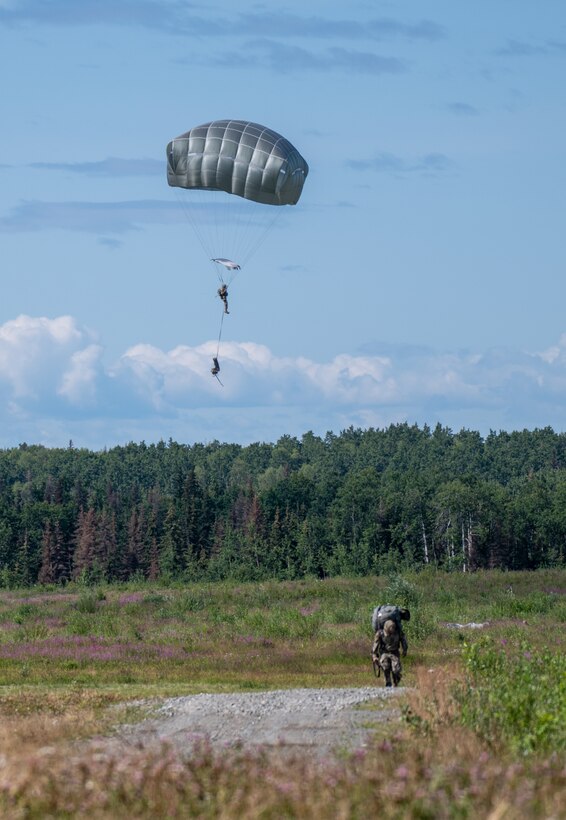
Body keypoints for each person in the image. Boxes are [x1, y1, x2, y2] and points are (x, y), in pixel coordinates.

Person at [372, 617, 408, 687]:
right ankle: (388, 682)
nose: (392, 630)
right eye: (390, 629)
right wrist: (374, 656)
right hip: (384, 652)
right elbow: (375, 645)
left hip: (394, 652)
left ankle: (396, 681)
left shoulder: (398, 633)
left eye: (393, 628)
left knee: (396, 669)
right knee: (385, 667)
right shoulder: (380, 633)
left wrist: (405, 649)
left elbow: (403, 640)